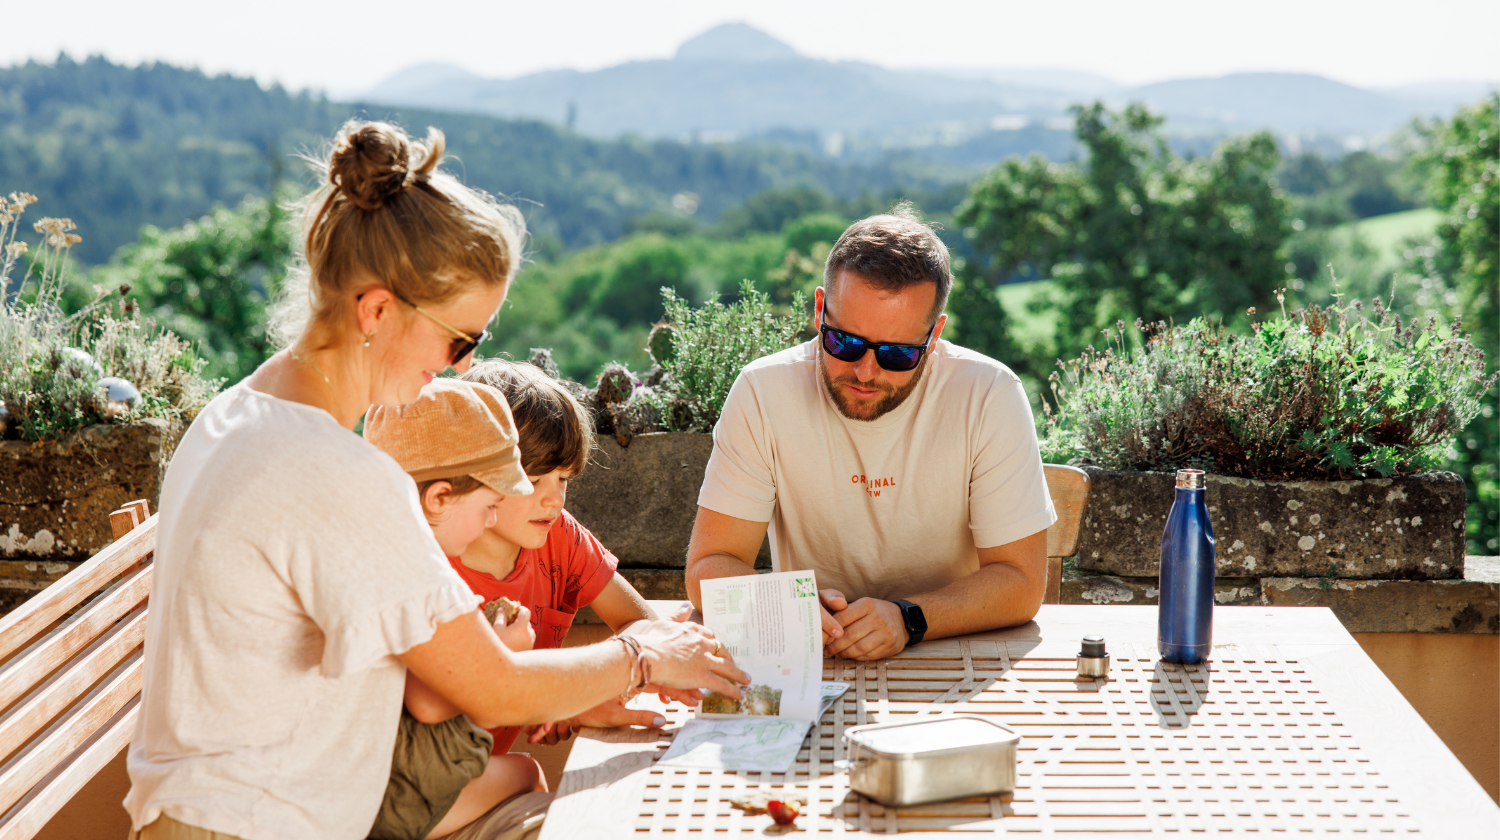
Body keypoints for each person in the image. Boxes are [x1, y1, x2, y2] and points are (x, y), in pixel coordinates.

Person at [125, 119, 747, 840]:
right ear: (379, 309)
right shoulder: (334, 471)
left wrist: (582, 691)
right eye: (459, 338)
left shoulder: (235, 415)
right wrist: (643, 657)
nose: (458, 367)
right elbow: (490, 683)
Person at [685, 204, 1056, 663]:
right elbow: (708, 567)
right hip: (814, 658)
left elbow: (1020, 582)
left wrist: (909, 618)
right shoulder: (765, 390)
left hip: (951, 652)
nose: (865, 371)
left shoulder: (988, 393)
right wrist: (784, 608)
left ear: (934, 335)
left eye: (898, 354)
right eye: (845, 342)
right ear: (820, 310)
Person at [456, 360, 691, 752]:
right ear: (475, 472)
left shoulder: (555, 532)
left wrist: (570, 698)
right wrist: (561, 697)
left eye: (563, 478)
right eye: (532, 481)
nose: (554, 498)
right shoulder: (436, 573)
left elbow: (639, 622)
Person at [362, 378, 548, 840]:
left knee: (526, 777)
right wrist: (503, 653)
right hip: (379, 803)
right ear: (438, 498)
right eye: (489, 505)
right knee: (527, 779)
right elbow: (427, 703)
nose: (490, 521)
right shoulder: (409, 562)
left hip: (379, 781)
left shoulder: (380, 540)